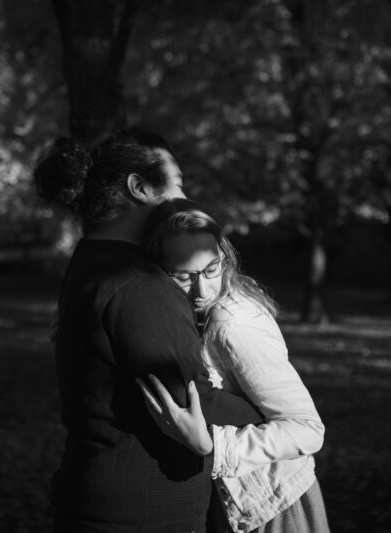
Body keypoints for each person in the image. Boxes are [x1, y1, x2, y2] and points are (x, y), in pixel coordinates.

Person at [34, 129, 263, 533]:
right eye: (177, 183)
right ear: (139, 188)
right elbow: (192, 399)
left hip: (106, 494)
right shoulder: (139, 284)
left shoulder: (92, 260)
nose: (184, 196)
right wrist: (270, 413)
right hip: (140, 512)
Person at [138, 199, 330, 533]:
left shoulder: (231, 323)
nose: (202, 289)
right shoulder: (195, 315)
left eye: (211, 269)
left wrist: (212, 446)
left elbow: (307, 429)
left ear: (224, 256)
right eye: (183, 276)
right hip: (246, 502)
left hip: (275, 504)